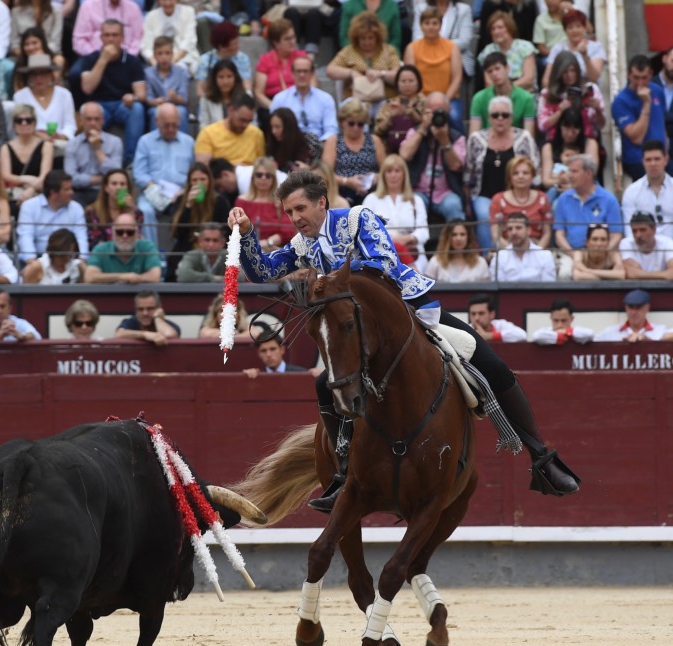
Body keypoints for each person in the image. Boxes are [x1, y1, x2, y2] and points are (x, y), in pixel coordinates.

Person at [228, 169, 580, 508]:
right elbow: (262, 271)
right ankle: (343, 475)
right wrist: (246, 233)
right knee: (326, 385)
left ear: (321, 203)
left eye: (300, 208)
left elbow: (382, 262)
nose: (295, 218)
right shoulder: (301, 245)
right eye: (289, 212)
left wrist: (330, 279)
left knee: (491, 365)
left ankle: (541, 456)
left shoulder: (356, 219)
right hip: (360, 336)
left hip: (410, 314)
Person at [465, 95, 540, 252]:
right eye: (495, 115)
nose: (500, 119)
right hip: (484, 195)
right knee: (485, 216)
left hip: (516, 196)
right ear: (489, 118)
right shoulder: (476, 139)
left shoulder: (524, 138)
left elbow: (535, 168)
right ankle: (489, 257)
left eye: (505, 115)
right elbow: (468, 172)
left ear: (511, 118)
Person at [69, 19, 147, 167]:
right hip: (99, 105)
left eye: (115, 35)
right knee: (90, 112)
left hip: (122, 105)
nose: (111, 39)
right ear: (101, 38)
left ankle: (130, 161)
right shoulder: (90, 59)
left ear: (123, 38)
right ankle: (87, 163)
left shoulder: (132, 61)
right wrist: (103, 59)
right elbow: (87, 88)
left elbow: (141, 94)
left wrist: (133, 97)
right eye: (107, 35)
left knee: (137, 109)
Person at [132, 102, 195, 248]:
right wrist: (152, 188)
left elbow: (194, 173)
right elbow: (139, 173)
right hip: (152, 191)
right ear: (157, 122)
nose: (171, 129)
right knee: (144, 210)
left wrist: (184, 191)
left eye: (175, 125)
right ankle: (152, 256)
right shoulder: (145, 141)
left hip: (181, 194)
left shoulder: (189, 142)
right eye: (166, 125)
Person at [398, 91, 466, 224]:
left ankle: (457, 242)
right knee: (412, 205)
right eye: (432, 112)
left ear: (449, 111)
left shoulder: (457, 137)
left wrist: (444, 141)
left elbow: (456, 166)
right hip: (418, 191)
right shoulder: (416, 131)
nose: (437, 116)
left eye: (441, 112)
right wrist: (423, 129)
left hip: (446, 193)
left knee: (454, 205)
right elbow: (405, 155)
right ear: (425, 112)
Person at [325, 12, 401, 115]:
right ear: (356, 37)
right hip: (356, 99)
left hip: (384, 98)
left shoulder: (388, 50)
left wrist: (381, 74)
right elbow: (330, 70)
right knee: (355, 111)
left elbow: (399, 75)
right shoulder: (349, 51)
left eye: (370, 38)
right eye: (363, 38)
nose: (367, 42)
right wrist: (352, 73)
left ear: (377, 37)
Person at [362, 154, 428, 269]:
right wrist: (392, 240)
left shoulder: (416, 200)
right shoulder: (371, 199)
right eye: (389, 171)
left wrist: (406, 239)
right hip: (382, 253)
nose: (393, 175)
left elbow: (423, 232)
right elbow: (365, 231)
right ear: (383, 175)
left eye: (397, 171)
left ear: (404, 174)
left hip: (413, 253)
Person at [403, 6, 463, 129]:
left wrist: (444, 100)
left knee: (455, 118)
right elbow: (408, 78)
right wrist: (423, 100)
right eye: (427, 23)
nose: (431, 27)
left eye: (435, 23)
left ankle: (458, 147)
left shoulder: (452, 47)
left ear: (440, 26)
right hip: (420, 99)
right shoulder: (412, 48)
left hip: (448, 98)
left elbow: (457, 78)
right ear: (421, 26)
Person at [168, 162, 231, 279]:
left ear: (209, 181)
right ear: (189, 183)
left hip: (214, 249)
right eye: (194, 180)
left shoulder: (220, 201)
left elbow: (227, 231)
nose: (199, 183)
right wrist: (188, 207)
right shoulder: (182, 200)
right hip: (189, 248)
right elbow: (177, 233)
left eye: (203, 179)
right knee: (174, 261)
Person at [612, 55, 669, 182]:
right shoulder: (621, 101)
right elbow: (636, 138)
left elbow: (662, 124)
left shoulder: (658, 91)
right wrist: (646, 104)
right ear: (628, 75)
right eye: (636, 78)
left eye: (644, 78)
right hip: (638, 161)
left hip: (661, 156)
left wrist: (666, 149)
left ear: (651, 74)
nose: (640, 83)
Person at [17, 170, 89, 267]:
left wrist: (82, 260)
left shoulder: (76, 208)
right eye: (67, 189)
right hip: (37, 258)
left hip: (68, 259)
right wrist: (32, 261)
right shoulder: (29, 206)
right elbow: (25, 236)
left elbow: (81, 236)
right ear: (53, 193)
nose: (72, 192)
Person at [553, 154, 623, 253]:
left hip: (602, 254)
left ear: (589, 173)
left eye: (574, 171)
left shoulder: (609, 200)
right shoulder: (563, 199)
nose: (569, 175)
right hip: (570, 253)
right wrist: (574, 255)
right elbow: (559, 235)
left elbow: (616, 235)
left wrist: (601, 256)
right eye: (569, 171)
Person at [537, 50, 604, 144]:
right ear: (558, 73)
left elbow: (601, 125)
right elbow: (542, 126)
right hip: (556, 144)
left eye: (573, 70)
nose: (570, 75)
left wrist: (598, 110)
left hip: (587, 142)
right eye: (565, 72)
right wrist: (559, 112)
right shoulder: (547, 94)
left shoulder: (591, 90)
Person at [63, 103, 123, 208]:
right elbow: (70, 178)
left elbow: (116, 174)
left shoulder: (115, 142)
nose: (93, 123)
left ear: (102, 120)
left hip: (107, 192)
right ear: (81, 121)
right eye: (88, 119)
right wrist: (100, 179)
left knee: (121, 197)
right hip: (79, 192)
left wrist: (98, 149)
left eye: (97, 119)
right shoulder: (72, 144)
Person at [321, 98, 379, 206]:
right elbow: (325, 174)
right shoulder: (333, 141)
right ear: (342, 122)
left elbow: (386, 170)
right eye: (351, 123)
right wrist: (347, 181)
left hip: (371, 193)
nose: (356, 127)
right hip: (341, 192)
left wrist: (375, 178)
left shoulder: (374, 140)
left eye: (360, 124)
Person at [234, 156, 296, 254]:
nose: (263, 178)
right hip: (247, 252)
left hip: (276, 252)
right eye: (259, 175)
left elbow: (288, 230)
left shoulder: (281, 202)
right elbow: (237, 230)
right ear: (253, 177)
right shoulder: (241, 201)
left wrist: (268, 242)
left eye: (268, 175)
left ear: (273, 179)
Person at [270, 57, 339, 143]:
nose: (302, 75)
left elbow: (331, 129)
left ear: (312, 74)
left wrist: (319, 144)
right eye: (298, 71)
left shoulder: (326, 99)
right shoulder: (280, 99)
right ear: (292, 74)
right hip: (289, 146)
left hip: (319, 146)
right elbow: (274, 128)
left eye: (305, 71)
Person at [490, 156, 552, 249]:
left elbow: (547, 233)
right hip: (507, 247)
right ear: (509, 177)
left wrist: (536, 252)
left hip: (536, 247)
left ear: (532, 176)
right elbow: (496, 235)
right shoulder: (498, 200)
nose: (521, 176)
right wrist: (512, 252)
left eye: (525, 173)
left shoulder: (542, 198)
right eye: (515, 173)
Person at [0, 103, 53, 208]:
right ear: (14, 125)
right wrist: (25, 179)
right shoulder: (5, 147)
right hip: (13, 196)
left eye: (28, 120)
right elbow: (5, 175)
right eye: (19, 121)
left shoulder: (46, 146)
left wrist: (31, 190)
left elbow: (45, 176)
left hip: (39, 193)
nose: (24, 123)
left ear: (35, 123)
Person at [12, 53, 76, 143]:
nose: (38, 78)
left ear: (51, 74)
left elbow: (70, 125)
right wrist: (36, 135)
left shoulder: (65, 95)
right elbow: (18, 124)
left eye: (43, 73)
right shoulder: (20, 96)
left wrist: (60, 136)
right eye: (34, 74)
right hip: (31, 144)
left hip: (60, 144)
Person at [84, 213, 164, 283]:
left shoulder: (148, 247)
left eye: (130, 232)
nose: (124, 236)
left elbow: (155, 276)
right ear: (113, 233)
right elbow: (90, 277)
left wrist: (135, 278)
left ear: (137, 234)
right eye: (120, 232)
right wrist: (122, 277)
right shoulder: (100, 249)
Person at [540, 107, 598, 204]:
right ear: (560, 126)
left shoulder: (590, 144)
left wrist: (573, 186)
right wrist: (559, 182)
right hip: (558, 187)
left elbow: (592, 174)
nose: (570, 134)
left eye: (574, 129)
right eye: (566, 128)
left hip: (584, 188)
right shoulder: (549, 147)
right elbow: (546, 181)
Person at [253, 20, 308, 122]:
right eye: (287, 39)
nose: (293, 42)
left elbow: (312, 84)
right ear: (276, 42)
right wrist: (274, 107)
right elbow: (258, 93)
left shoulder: (302, 57)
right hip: (273, 102)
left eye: (293, 37)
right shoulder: (265, 60)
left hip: (300, 100)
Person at [469, 51, 536, 135]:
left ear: (507, 68)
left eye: (497, 68)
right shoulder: (478, 98)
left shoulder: (526, 98)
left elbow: (529, 135)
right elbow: (473, 135)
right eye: (490, 71)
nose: (494, 74)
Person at [372, 64, 426, 165]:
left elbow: (426, 125)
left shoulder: (425, 103)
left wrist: (411, 113)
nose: (407, 84)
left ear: (418, 83)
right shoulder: (390, 104)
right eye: (403, 81)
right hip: (391, 153)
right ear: (397, 83)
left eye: (411, 81)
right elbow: (377, 131)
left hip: (418, 152)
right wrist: (390, 117)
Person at [621, 141, 673, 241]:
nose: (653, 164)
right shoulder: (631, 192)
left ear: (666, 160)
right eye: (648, 160)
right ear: (643, 162)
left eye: (657, 159)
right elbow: (629, 230)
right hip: (642, 250)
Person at [410, 0, 475, 80]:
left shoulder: (463, 9)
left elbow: (464, 41)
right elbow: (417, 38)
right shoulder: (421, 8)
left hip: (456, 60)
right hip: (425, 58)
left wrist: (440, 47)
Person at [195, 94, 266, 167]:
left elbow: (261, 165)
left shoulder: (257, 133)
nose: (245, 125)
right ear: (230, 111)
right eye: (242, 120)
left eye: (249, 121)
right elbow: (203, 167)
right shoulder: (207, 133)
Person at [543, 8, 605, 89]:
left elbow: (594, 78)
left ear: (584, 28)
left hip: (587, 92)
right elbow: (546, 80)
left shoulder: (596, 47)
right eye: (570, 27)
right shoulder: (557, 49)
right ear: (565, 30)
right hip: (562, 92)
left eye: (578, 26)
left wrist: (585, 55)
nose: (575, 30)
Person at [476, 11, 537, 92]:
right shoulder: (488, 51)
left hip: (524, 94)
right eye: (493, 29)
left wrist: (505, 88)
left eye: (500, 27)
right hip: (497, 97)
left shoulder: (525, 47)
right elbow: (489, 83)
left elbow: (528, 80)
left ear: (510, 28)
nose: (496, 32)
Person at [85, 168, 144, 249]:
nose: (118, 187)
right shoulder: (92, 212)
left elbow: (137, 241)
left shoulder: (136, 212)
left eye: (122, 184)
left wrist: (131, 211)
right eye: (114, 184)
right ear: (106, 188)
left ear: (128, 188)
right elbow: (94, 243)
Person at [490, 212, 557, 282]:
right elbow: (498, 290)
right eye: (510, 229)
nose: (514, 232)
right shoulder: (499, 257)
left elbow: (548, 289)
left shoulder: (544, 256)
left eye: (518, 228)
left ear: (528, 230)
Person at [194, 21, 253, 100]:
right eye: (234, 44)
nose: (238, 46)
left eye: (237, 42)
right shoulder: (205, 60)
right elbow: (200, 90)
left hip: (236, 101)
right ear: (221, 46)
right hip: (211, 101)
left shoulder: (242, 58)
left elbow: (247, 85)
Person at [144, 35, 190, 134]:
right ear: (154, 55)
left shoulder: (181, 72)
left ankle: (182, 145)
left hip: (176, 105)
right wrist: (155, 101)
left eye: (167, 53)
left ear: (172, 54)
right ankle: (155, 145)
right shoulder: (148, 73)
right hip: (157, 106)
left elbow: (184, 99)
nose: (164, 57)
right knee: (154, 112)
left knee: (181, 112)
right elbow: (148, 98)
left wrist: (175, 97)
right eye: (160, 54)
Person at [141, 0, 199, 76]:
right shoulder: (151, 16)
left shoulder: (188, 12)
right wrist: (156, 63)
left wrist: (171, 62)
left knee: (179, 71)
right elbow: (145, 46)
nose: (167, 3)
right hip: (157, 61)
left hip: (183, 59)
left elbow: (189, 41)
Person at [424, 220, 490, 283]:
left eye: (462, 234)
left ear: (468, 237)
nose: (458, 238)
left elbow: (486, 292)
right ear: (447, 237)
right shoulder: (436, 261)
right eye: (454, 234)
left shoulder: (480, 262)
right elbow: (427, 290)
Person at [72, 0, 143, 58]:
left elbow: (138, 39)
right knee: (74, 74)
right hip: (93, 59)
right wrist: (96, 56)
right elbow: (79, 40)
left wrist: (127, 57)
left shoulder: (133, 8)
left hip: (126, 60)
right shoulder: (88, 6)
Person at [594, 289, 668, 342]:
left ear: (647, 308)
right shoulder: (611, 332)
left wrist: (649, 341)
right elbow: (592, 343)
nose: (634, 312)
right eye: (631, 307)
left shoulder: (660, 330)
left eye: (638, 307)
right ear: (626, 308)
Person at [618, 212, 673, 281]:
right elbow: (631, 274)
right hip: (637, 287)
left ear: (654, 229)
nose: (638, 235)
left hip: (663, 289)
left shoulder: (667, 243)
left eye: (642, 230)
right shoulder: (626, 243)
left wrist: (641, 273)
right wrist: (663, 274)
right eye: (634, 231)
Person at [114, 290, 181, 344]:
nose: (145, 313)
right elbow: (119, 334)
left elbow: (170, 336)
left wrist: (158, 318)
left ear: (159, 308)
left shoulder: (169, 325)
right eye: (140, 309)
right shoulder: (131, 322)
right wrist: (145, 335)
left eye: (150, 308)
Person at [268, 107, 322, 173]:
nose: (273, 131)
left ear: (288, 127)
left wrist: (309, 169)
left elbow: (321, 170)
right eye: (272, 127)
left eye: (277, 127)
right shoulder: (273, 144)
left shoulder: (310, 141)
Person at [242, 326, 309, 378]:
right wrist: (247, 379)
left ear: (282, 350)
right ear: (259, 353)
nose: (268, 354)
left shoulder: (302, 373)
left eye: (273, 349)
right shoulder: (256, 376)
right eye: (263, 350)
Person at [199, 59, 247, 131]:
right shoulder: (206, 99)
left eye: (229, 76)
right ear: (214, 79)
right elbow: (203, 125)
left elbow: (251, 125)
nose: (225, 81)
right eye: (221, 77)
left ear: (235, 78)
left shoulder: (245, 97)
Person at [10, 0, 63, 65]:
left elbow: (55, 43)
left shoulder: (56, 12)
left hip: (49, 54)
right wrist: (28, 53)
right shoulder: (16, 12)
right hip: (24, 55)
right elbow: (15, 44)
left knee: (59, 60)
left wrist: (41, 54)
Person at [11, 27, 61, 93]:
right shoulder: (20, 64)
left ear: (43, 43)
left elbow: (55, 83)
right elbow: (18, 90)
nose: (31, 48)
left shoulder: (56, 59)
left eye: (34, 43)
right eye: (26, 44)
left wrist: (41, 59)